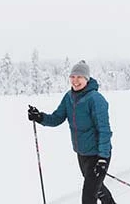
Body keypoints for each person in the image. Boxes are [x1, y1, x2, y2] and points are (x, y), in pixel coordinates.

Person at [28, 60, 116, 204]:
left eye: (79, 77)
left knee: (88, 196)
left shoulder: (96, 99)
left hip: (98, 154)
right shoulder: (69, 97)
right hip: (82, 153)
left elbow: (104, 131)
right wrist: (40, 117)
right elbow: (57, 118)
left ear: (86, 79)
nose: (75, 81)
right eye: (72, 77)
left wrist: (102, 158)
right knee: (96, 188)